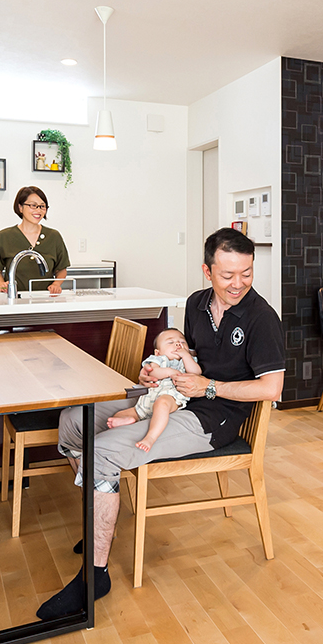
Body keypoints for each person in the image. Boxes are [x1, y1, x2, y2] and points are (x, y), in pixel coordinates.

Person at [36, 227, 285, 619]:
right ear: (207, 271)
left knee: (102, 452)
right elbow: (187, 355)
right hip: (176, 395)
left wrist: (209, 387)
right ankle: (100, 516)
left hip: (213, 418)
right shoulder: (197, 303)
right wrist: (155, 372)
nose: (238, 284)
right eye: (227, 275)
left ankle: (95, 575)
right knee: (72, 421)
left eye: (247, 273)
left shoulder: (262, 318)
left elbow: (272, 388)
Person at [105, 328, 201, 454]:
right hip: (148, 400)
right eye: (170, 342)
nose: (178, 344)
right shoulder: (158, 359)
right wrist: (170, 372)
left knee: (162, 404)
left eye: (182, 342)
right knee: (123, 413)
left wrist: (186, 355)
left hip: (171, 397)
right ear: (157, 352)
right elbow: (153, 372)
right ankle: (128, 419)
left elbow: (196, 373)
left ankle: (150, 437)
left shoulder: (187, 361)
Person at [0, 186, 70, 296]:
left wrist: (56, 285)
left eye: (42, 206)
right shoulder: (4, 236)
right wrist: (2, 284)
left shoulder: (54, 236)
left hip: (45, 298)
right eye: (33, 205)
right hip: (15, 298)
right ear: (20, 207)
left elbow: (61, 269)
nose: (38, 210)